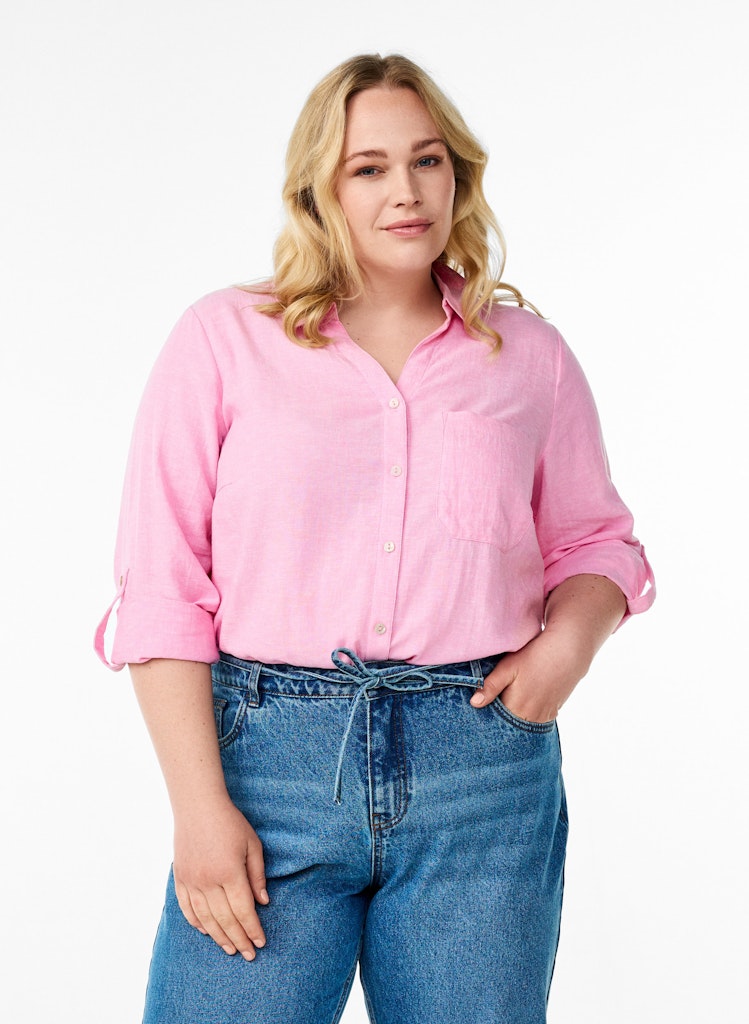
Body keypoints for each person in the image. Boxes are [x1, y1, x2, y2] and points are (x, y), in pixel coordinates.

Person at [95, 52, 655, 1024]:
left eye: (427, 161)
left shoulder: (527, 357)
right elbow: (162, 589)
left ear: (457, 175)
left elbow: (598, 544)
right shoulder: (223, 341)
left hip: (480, 771)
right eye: (369, 167)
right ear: (321, 188)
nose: (406, 190)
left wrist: (566, 645)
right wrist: (199, 807)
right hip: (267, 768)